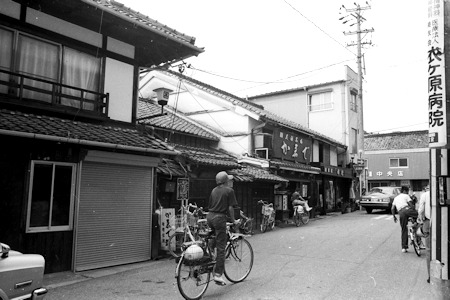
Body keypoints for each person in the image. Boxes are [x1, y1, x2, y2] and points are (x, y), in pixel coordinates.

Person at [207, 171, 239, 286]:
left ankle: (209, 251)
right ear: (226, 181)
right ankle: (218, 275)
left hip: (210, 217)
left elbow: (211, 205)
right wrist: (234, 220)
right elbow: (230, 208)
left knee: (216, 237)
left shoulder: (213, 190)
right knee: (221, 247)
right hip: (219, 218)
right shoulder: (229, 191)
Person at [391, 186, 418, 253]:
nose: (408, 192)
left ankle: (404, 247)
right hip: (407, 210)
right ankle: (416, 225)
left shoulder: (396, 198)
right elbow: (412, 206)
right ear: (405, 191)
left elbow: (392, 208)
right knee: (420, 215)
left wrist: (394, 216)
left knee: (404, 229)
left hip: (401, 213)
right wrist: (414, 209)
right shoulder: (406, 196)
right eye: (407, 191)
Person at [418, 185, 431, 283]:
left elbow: (421, 210)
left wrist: (420, 218)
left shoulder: (425, 195)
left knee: (429, 250)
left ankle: (430, 276)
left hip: (428, 223)